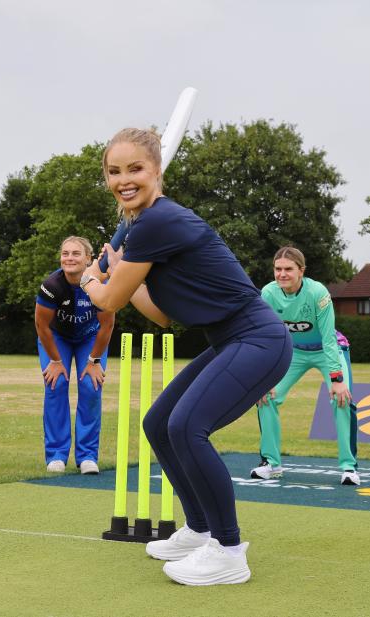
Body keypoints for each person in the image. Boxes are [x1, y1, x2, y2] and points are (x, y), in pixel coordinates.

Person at [81, 128, 292, 586]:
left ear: (156, 171)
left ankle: (229, 551)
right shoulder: (145, 229)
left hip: (258, 338)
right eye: (114, 172)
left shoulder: (158, 221)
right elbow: (160, 315)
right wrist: (121, 273)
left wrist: (92, 281)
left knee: (186, 427)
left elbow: (108, 301)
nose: (124, 179)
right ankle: (199, 529)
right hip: (231, 339)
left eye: (135, 168)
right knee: (159, 424)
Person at [252, 247, 359, 485]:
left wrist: (337, 380)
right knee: (265, 397)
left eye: (288, 269)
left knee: (342, 399)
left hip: (328, 350)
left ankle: (349, 468)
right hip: (293, 353)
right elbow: (266, 336)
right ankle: (271, 463)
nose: (282, 274)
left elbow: (329, 338)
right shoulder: (268, 293)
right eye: (278, 269)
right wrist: (264, 377)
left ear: (301, 271)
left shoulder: (317, 292)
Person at [35, 236, 115, 474]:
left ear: (88, 258)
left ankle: (87, 456)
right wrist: (56, 361)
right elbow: (42, 327)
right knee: (56, 384)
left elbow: (107, 326)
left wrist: (94, 361)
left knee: (91, 386)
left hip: (90, 338)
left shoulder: (100, 282)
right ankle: (57, 455)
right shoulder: (52, 285)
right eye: (65, 253)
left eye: (76, 254)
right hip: (56, 339)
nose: (69, 258)